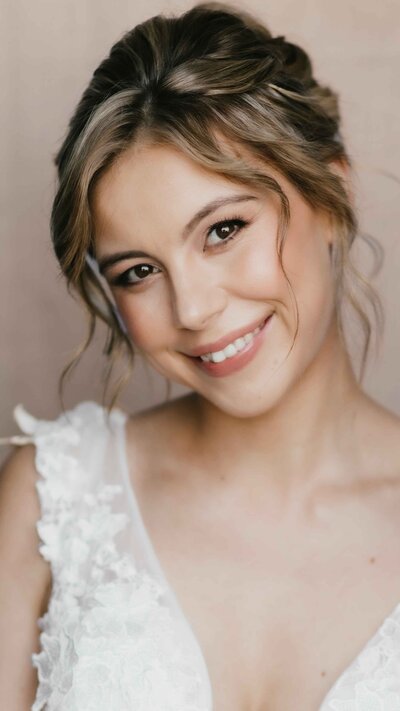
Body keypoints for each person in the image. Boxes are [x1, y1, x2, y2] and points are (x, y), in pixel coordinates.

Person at [1, 1, 399, 709]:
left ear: (332, 190)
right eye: (137, 271)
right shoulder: (50, 498)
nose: (192, 310)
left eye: (222, 230)